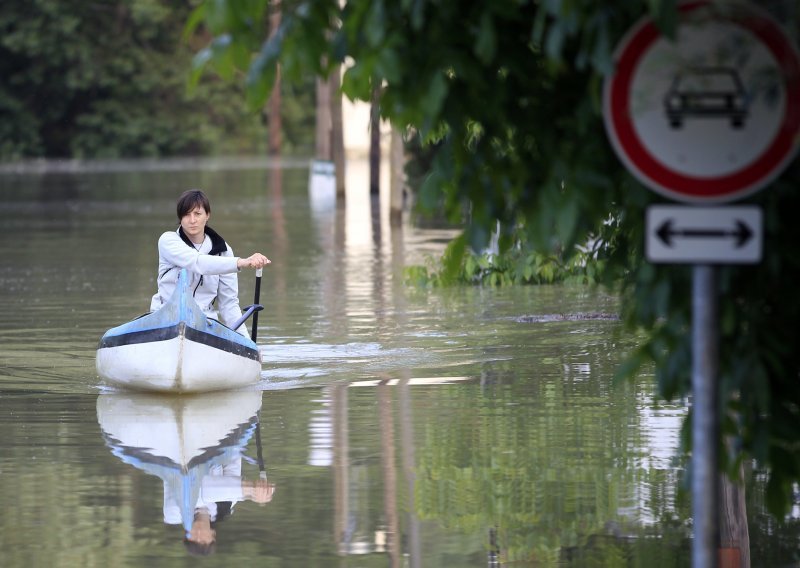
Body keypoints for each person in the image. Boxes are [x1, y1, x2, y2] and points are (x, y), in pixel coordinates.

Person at [150, 189, 270, 335]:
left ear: (207, 215)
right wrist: (241, 262)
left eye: (197, 214)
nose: (192, 220)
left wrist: (247, 344)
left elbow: (228, 305)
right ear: (180, 218)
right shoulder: (168, 241)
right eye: (187, 214)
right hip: (163, 318)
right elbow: (197, 262)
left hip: (205, 324)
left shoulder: (224, 251)